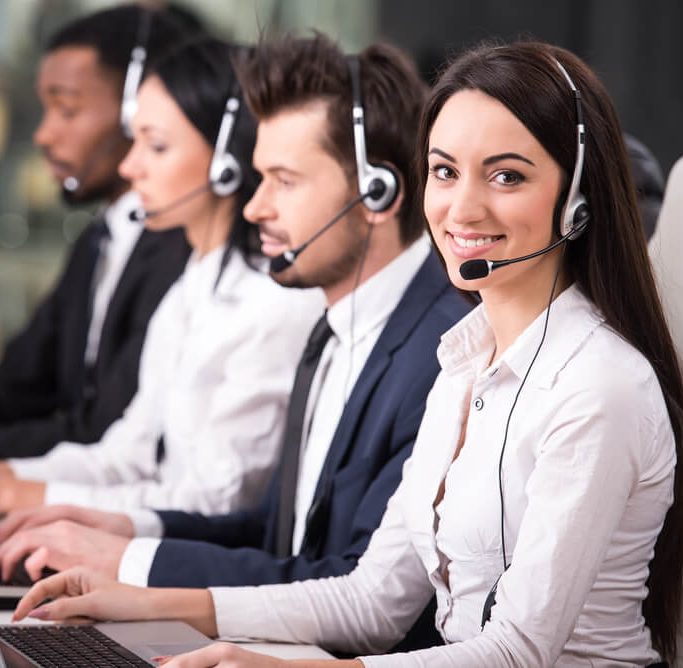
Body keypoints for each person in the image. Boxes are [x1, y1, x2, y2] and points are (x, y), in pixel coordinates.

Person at [14, 40, 683, 668]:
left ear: (575, 201)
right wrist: (138, 601)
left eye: (506, 176)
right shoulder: (464, 363)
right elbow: (371, 600)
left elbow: (516, 651)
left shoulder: (598, 386)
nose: (462, 206)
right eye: (444, 171)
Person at [2, 34, 470, 650]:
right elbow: (275, 535)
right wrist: (118, 530)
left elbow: (360, 594)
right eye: (258, 177)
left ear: (376, 193)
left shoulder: (443, 351)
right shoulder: (336, 325)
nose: (253, 208)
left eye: (284, 180)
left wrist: (137, 571)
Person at [0, 37, 322, 515]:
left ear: (227, 160)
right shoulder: (192, 284)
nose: (130, 167)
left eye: (156, 145)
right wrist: (19, 477)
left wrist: (43, 496)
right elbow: (130, 451)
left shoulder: (274, 303)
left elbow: (219, 499)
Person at [0, 4, 196, 459]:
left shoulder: (184, 247)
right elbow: (21, 380)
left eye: (67, 110)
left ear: (136, 111)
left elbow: (106, 428)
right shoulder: (98, 239)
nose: (44, 135)